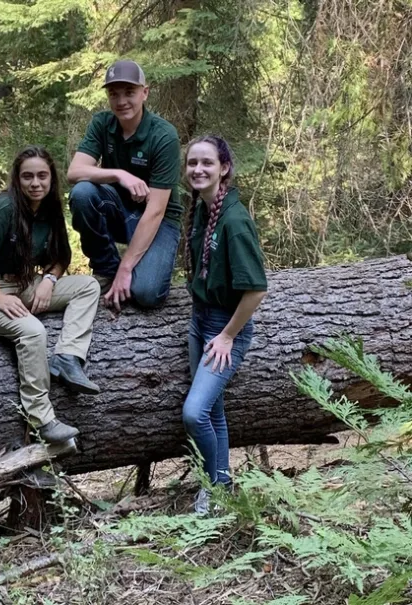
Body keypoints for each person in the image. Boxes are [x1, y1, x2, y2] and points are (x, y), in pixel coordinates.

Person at [0, 145, 101, 444]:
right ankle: (42, 418)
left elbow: (61, 257)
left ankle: (67, 357)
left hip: (28, 283)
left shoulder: (50, 209)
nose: (35, 183)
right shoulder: (0, 210)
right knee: (33, 332)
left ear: (52, 178)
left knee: (88, 286)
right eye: (28, 177)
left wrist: (49, 280)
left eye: (42, 176)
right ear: (17, 178)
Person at [182, 135, 268, 516]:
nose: (198, 169)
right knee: (213, 411)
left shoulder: (233, 220)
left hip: (223, 326)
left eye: (207, 163)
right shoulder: (203, 208)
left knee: (194, 412)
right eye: (192, 163)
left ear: (224, 168)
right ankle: (222, 486)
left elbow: (256, 290)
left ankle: (211, 485)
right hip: (199, 317)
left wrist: (229, 335)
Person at [67, 59, 182, 311]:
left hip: (159, 219)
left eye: (129, 93)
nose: (121, 102)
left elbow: (156, 210)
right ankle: (107, 270)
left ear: (144, 93)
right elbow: (74, 172)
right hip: (119, 210)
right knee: (83, 193)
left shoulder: (163, 136)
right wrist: (119, 174)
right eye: (114, 94)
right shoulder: (102, 124)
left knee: (147, 294)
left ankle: (125, 271)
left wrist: (127, 267)